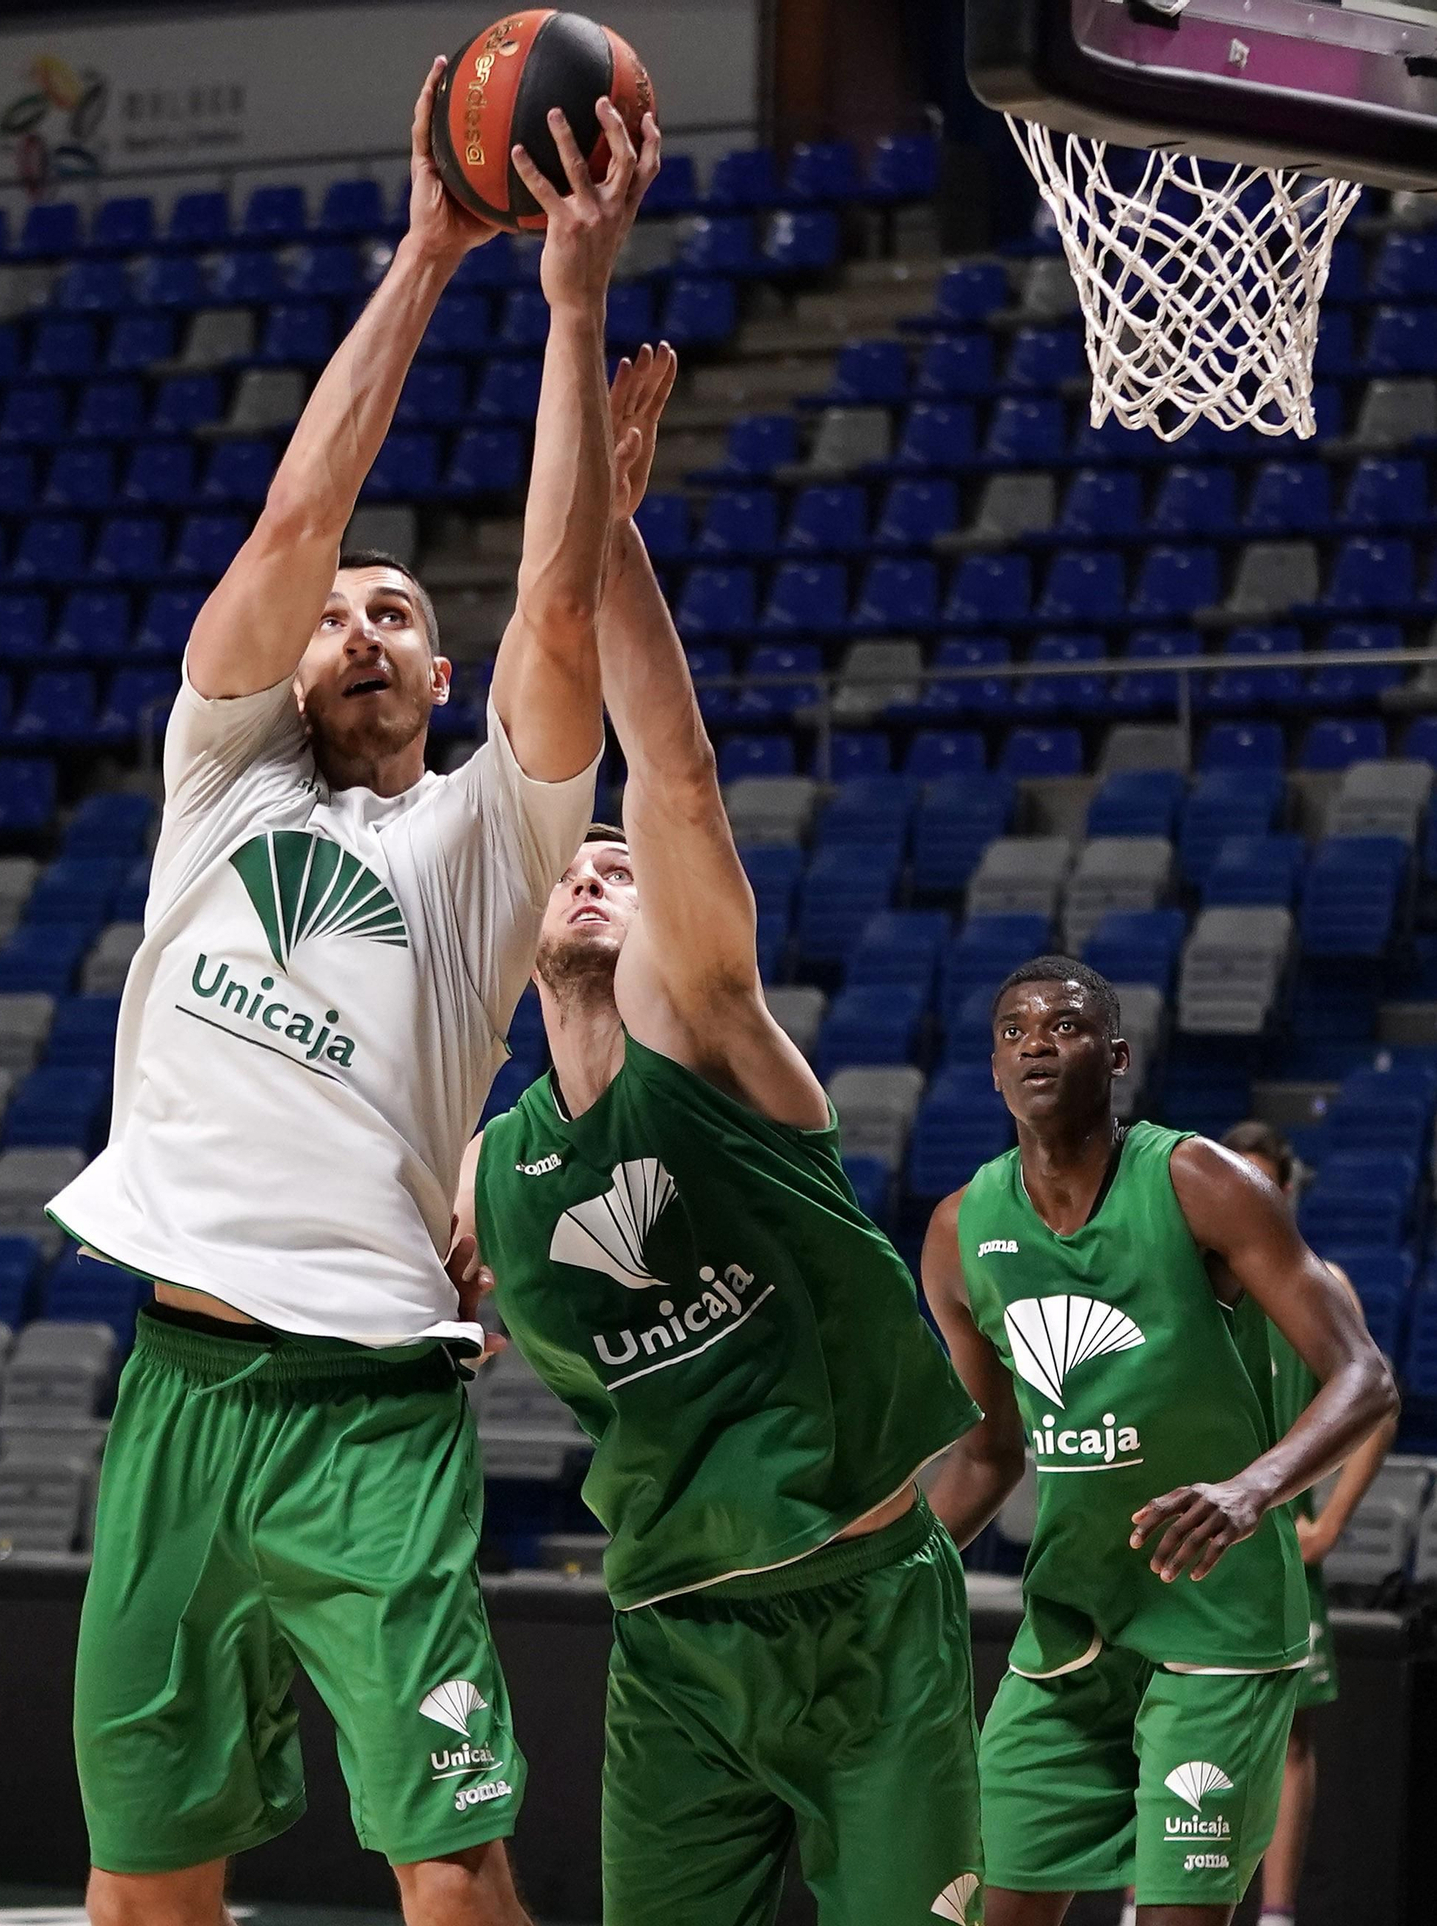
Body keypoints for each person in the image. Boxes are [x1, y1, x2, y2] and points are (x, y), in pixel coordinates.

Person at [46, 63, 660, 1926]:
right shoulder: (218, 774)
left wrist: (566, 298)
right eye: (339, 609)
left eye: (399, 613)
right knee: (144, 1874)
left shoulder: (490, 838)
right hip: (171, 1381)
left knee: (448, 1858)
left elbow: (561, 623)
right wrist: (425, 249)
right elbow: (290, 520)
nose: (358, 624)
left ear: (439, 669)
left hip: (366, 1408)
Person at [453, 346, 985, 1926]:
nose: (600, 872)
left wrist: (608, 534)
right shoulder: (490, 1165)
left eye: (623, 870)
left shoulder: (722, 1040)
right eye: (577, 865)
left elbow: (671, 776)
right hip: (673, 1640)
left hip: (865, 1614)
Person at [919, 956, 1398, 1926]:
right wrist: (887, 1572)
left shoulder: (1196, 1181)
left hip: (1215, 1622)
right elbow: (985, 1455)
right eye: (1014, 1031)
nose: (1038, 1042)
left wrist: (1248, 1491)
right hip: (1070, 1621)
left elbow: (1364, 1375)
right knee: (984, 1907)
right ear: (992, 1070)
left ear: (1119, 1055)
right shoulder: (960, 1228)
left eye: (1065, 1025)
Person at [1220, 1121, 1397, 1926]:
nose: (1252, 1197)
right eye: (1240, 1181)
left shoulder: (1325, 1283)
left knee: (1287, 1737)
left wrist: (1327, 1527)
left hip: (1284, 1540)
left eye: (1265, 1183)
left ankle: (1278, 1913)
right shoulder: (1188, 1285)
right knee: (1154, 1723)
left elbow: (1376, 1412)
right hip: (1200, 1538)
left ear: (1285, 1191)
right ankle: (1140, 1901)